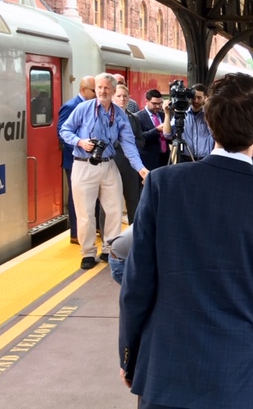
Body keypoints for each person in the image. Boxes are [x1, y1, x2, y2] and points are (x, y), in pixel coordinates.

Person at [118, 73, 253, 408]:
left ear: (210, 125)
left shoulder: (162, 185)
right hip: (233, 377)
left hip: (164, 371)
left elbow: (136, 283)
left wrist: (129, 356)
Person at [60, 73, 149, 269]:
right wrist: (80, 142)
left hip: (109, 164)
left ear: (113, 90)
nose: (102, 91)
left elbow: (129, 144)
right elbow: (64, 130)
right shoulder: (83, 109)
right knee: (85, 213)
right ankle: (88, 252)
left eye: (107, 88)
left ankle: (109, 248)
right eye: (99, 87)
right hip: (83, 164)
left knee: (114, 209)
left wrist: (141, 169)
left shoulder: (120, 115)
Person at [57, 75, 96, 244]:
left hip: (89, 159)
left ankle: (91, 229)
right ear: (82, 89)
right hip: (75, 160)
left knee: (89, 196)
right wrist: (79, 148)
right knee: (76, 197)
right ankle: (75, 234)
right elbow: (62, 133)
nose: (97, 94)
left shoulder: (93, 105)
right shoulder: (71, 106)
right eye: (94, 90)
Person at [111, 84, 145, 224]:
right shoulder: (105, 116)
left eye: (125, 96)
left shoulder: (133, 118)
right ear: (112, 97)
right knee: (110, 201)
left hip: (130, 166)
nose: (122, 99)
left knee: (133, 200)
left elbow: (141, 140)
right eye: (119, 96)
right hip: (112, 164)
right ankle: (108, 233)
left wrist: (130, 144)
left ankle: (134, 229)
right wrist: (124, 143)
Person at [136, 89, 171, 170]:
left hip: (165, 158)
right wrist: (157, 130)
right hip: (148, 159)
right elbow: (140, 137)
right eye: (154, 104)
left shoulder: (164, 115)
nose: (158, 106)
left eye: (160, 103)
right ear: (146, 101)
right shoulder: (138, 117)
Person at [181, 83, 214, 161]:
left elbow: (215, 134)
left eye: (199, 98)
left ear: (205, 97)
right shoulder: (183, 114)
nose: (196, 100)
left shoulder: (211, 114)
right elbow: (167, 134)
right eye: (193, 97)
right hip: (186, 158)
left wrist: (208, 110)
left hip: (205, 158)